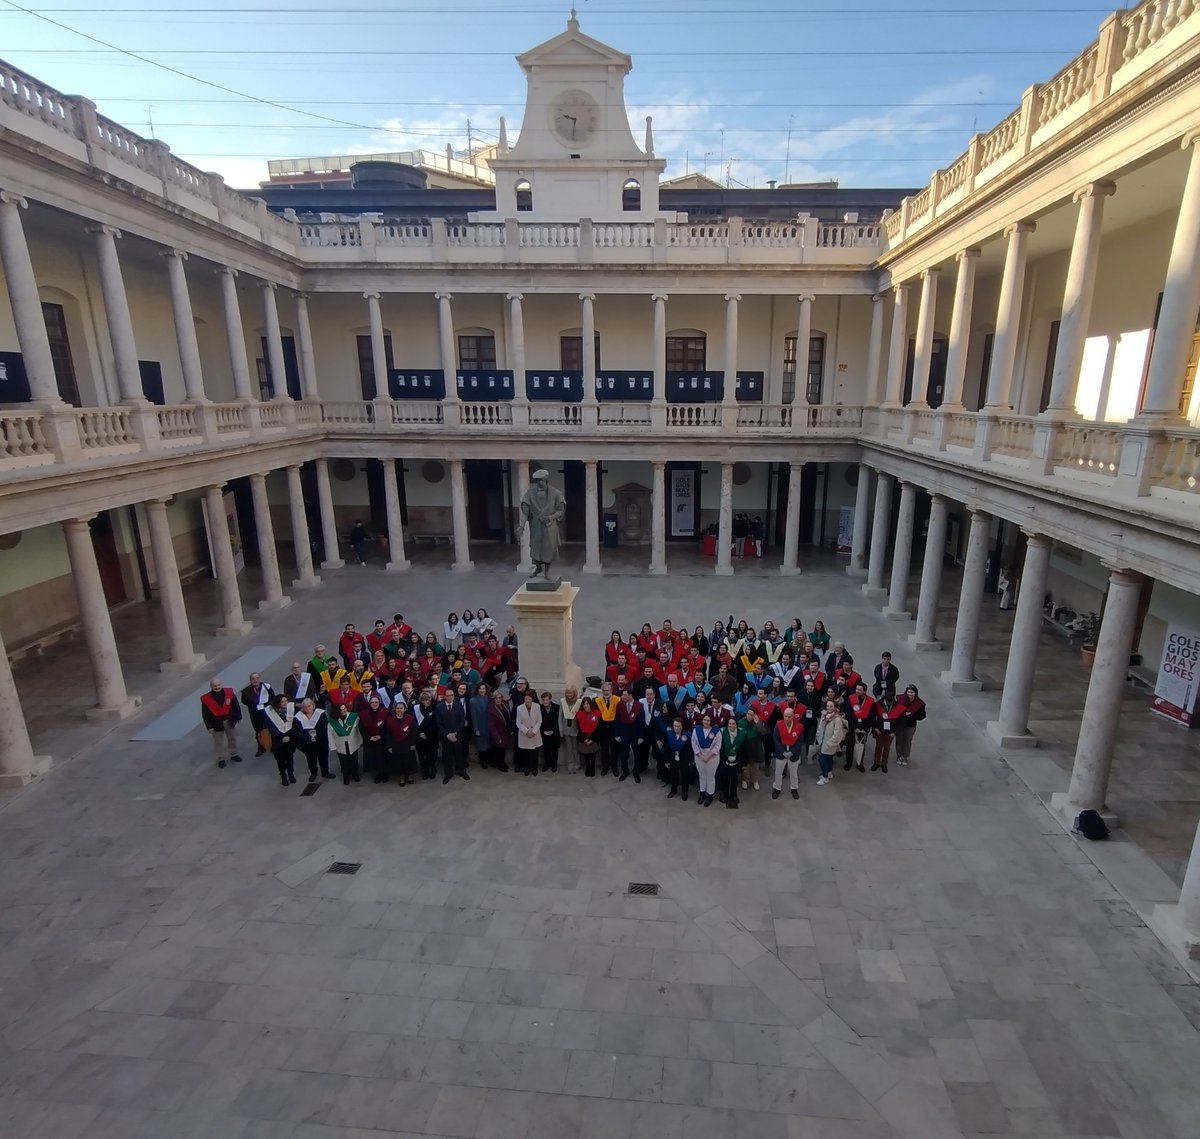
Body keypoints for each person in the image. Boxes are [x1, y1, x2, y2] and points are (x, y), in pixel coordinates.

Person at [519, 468, 567, 580]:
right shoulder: (530, 494)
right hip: (536, 526)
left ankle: (547, 571)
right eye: (538, 481)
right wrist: (521, 525)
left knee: (548, 549)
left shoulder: (555, 493)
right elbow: (525, 511)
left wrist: (551, 517)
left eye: (542, 480)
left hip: (549, 526)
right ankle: (538, 568)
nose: (540, 483)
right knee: (536, 548)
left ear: (546, 480)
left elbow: (561, 510)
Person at [200, 677, 242, 769]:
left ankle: (234, 754)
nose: (217, 687)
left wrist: (238, 717)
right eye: (214, 686)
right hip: (216, 723)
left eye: (218, 685)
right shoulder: (206, 698)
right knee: (218, 742)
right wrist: (209, 727)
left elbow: (236, 705)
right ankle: (220, 758)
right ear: (211, 686)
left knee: (232, 738)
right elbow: (205, 714)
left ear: (221, 685)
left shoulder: (229, 693)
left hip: (230, 720)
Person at [434, 687, 470, 785]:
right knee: (447, 756)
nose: (450, 697)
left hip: (457, 735)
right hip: (445, 737)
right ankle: (448, 774)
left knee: (459, 754)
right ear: (444, 696)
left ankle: (462, 771)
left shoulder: (458, 705)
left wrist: (455, 733)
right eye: (448, 695)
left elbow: (462, 721)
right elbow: (439, 724)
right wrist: (447, 734)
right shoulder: (439, 707)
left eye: (452, 695)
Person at [294, 698, 332, 782]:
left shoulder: (321, 714)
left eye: (309, 706)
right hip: (307, 742)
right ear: (302, 708)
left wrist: (316, 737)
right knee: (311, 758)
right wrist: (308, 738)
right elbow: (297, 731)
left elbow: (323, 727)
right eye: (305, 707)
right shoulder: (298, 717)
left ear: (313, 705)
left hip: (321, 740)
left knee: (323, 757)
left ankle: (325, 772)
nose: (308, 708)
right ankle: (313, 773)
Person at [264, 693, 297, 787]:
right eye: (282, 701)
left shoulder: (290, 711)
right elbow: (271, 727)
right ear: (278, 703)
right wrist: (281, 737)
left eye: (286, 701)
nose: (285, 703)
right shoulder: (272, 713)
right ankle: (283, 775)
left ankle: (291, 774)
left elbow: (295, 724)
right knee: (280, 760)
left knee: (290, 758)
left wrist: (289, 736)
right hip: (278, 741)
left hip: (290, 739)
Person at [772, 704, 803, 800]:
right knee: (778, 772)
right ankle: (777, 788)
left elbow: (800, 742)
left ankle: (794, 788)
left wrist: (792, 752)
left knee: (794, 773)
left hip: (793, 754)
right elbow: (775, 739)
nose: (787, 718)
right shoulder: (778, 725)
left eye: (789, 716)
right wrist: (783, 751)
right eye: (785, 716)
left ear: (793, 716)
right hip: (781, 753)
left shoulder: (799, 726)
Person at [690, 712, 721, 807]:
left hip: (712, 757)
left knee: (710, 777)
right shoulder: (697, 729)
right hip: (699, 756)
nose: (706, 722)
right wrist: (700, 755)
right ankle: (702, 793)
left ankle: (709, 795)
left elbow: (718, 745)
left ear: (711, 721)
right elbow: (693, 743)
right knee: (702, 775)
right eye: (704, 720)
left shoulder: (716, 731)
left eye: (708, 720)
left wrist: (708, 756)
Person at [385, 699, 418, 785]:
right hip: (395, 744)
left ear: (405, 709)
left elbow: (413, 732)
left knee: (408, 761)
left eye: (401, 708)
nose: (399, 710)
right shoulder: (390, 720)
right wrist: (389, 746)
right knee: (398, 762)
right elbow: (388, 734)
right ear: (395, 709)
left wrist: (413, 743)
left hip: (408, 744)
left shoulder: (410, 719)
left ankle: (410, 776)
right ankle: (401, 778)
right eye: (397, 708)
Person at [327, 702, 362, 784]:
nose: (344, 711)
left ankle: (355, 775)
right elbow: (330, 734)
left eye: (345, 708)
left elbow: (358, 730)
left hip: (353, 742)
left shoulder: (353, 717)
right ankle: (346, 776)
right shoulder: (332, 721)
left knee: (354, 760)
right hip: (340, 744)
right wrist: (333, 747)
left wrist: (360, 741)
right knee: (343, 762)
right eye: (341, 710)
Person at [240, 672, 274, 756]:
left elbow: (272, 697)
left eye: (257, 678)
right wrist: (253, 705)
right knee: (258, 731)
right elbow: (244, 701)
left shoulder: (267, 687)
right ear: (250, 680)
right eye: (253, 678)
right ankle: (261, 747)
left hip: (267, 712)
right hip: (255, 714)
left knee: (270, 728)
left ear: (260, 678)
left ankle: (273, 745)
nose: (255, 680)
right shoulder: (246, 691)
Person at [845, 681, 877, 772]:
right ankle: (848, 763)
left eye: (859, 690)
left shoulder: (870, 701)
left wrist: (866, 729)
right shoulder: (851, 698)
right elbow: (849, 714)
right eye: (856, 689)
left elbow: (872, 716)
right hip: (852, 727)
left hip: (863, 728)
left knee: (861, 747)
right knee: (850, 746)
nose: (857, 691)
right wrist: (854, 727)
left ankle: (859, 764)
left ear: (865, 691)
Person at [815, 698, 847, 786]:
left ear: (835, 707)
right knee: (828, 759)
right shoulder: (824, 716)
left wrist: (830, 743)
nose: (829, 708)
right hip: (823, 741)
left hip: (829, 743)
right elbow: (821, 727)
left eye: (831, 706)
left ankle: (825, 777)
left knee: (822, 759)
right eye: (828, 706)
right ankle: (829, 772)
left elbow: (838, 734)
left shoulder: (837, 719)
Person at [719, 714, 748, 808]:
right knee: (725, 778)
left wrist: (743, 763)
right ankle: (724, 793)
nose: (731, 725)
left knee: (734, 779)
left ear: (736, 725)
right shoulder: (722, 731)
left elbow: (744, 750)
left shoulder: (742, 733)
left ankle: (734, 794)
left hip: (736, 761)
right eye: (730, 724)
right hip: (725, 760)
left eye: (733, 723)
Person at [894, 684, 927, 767]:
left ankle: (905, 756)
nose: (910, 694)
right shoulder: (900, 699)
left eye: (912, 692)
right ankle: (899, 756)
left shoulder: (919, 703)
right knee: (899, 740)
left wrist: (912, 715)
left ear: (915, 693)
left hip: (911, 725)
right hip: (900, 725)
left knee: (907, 741)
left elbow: (922, 716)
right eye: (909, 692)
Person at [359, 694, 389, 783]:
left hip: (382, 740)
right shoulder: (363, 714)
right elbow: (361, 728)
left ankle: (385, 773)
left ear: (379, 702)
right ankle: (377, 774)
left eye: (376, 702)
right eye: (372, 702)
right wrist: (369, 737)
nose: (374, 704)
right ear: (369, 703)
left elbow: (388, 726)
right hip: (370, 741)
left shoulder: (386, 712)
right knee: (374, 758)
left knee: (384, 757)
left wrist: (381, 736)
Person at [872, 692, 905, 773]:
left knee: (887, 748)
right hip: (880, 730)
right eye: (887, 701)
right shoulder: (878, 704)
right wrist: (875, 727)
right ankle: (876, 762)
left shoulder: (898, 707)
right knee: (878, 747)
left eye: (890, 702)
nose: (888, 703)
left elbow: (901, 723)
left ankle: (884, 764)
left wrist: (895, 732)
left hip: (891, 732)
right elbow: (873, 717)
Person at [413, 689, 439, 780]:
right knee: (421, 754)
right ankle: (425, 769)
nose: (425, 702)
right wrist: (420, 733)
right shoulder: (416, 708)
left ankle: (432, 768)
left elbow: (436, 723)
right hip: (420, 736)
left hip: (431, 736)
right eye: (423, 700)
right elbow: (414, 722)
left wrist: (427, 734)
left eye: (427, 699)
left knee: (432, 754)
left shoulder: (436, 708)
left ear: (430, 699)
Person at [515, 690, 542, 776]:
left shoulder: (537, 706)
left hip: (535, 734)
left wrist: (533, 731)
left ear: (532, 699)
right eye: (525, 699)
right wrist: (526, 731)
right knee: (526, 753)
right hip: (524, 734)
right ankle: (526, 768)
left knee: (534, 753)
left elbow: (539, 721)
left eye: (528, 699)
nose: (527, 701)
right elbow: (518, 723)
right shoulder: (519, 708)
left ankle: (534, 768)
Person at [485, 690, 512, 771]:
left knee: (503, 749)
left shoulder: (504, 705)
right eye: (496, 698)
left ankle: (501, 762)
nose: (498, 699)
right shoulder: (491, 709)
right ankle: (500, 764)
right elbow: (491, 725)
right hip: (498, 733)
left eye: (500, 698)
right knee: (499, 749)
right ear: (493, 699)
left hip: (505, 731)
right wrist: (497, 736)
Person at [468, 682, 493, 769]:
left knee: (489, 744)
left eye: (483, 689)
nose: (482, 690)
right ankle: (483, 761)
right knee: (481, 745)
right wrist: (476, 729)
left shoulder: (489, 699)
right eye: (480, 689)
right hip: (480, 725)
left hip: (489, 725)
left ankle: (489, 760)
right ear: (477, 690)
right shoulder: (473, 701)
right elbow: (473, 716)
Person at [575, 696, 601, 778]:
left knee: (593, 753)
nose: (586, 705)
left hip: (593, 735)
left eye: (587, 704)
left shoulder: (597, 713)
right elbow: (578, 728)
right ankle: (588, 767)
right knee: (586, 753)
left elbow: (598, 728)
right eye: (584, 704)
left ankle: (592, 767)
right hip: (584, 736)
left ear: (591, 704)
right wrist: (584, 739)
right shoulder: (579, 714)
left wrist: (592, 739)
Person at [559, 685, 582, 774]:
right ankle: (570, 762)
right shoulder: (563, 701)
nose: (569, 694)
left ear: (574, 693)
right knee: (569, 748)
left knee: (575, 747)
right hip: (566, 728)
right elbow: (560, 717)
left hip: (575, 728)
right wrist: (561, 729)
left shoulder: (579, 702)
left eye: (571, 693)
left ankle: (577, 762)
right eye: (567, 693)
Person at [539, 691, 561, 772]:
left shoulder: (557, 707)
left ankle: (554, 764)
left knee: (555, 750)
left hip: (554, 732)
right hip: (544, 732)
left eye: (546, 700)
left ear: (550, 699)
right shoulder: (540, 708)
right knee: (546, 750)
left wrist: (553, 730)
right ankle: (546, 764)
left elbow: (558, 720)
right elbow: (539, 720)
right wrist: (543, 730)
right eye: (543, 700)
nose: (545, 701)